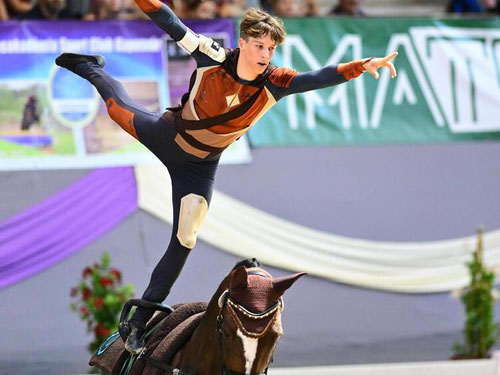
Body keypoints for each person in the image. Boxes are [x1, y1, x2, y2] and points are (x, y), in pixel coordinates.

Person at [55, 5, 397, 354]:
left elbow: (318, 77)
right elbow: (169, 21)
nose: (265, 54)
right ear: (243, 43)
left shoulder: (275, 82)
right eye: (260, 46)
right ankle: (90, 67)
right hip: (169, 136)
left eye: (271, 49)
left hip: (199, 168)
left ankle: (139, 322)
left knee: (185, 238)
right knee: (116, 110)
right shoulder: (212, 56)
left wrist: (360, 67)